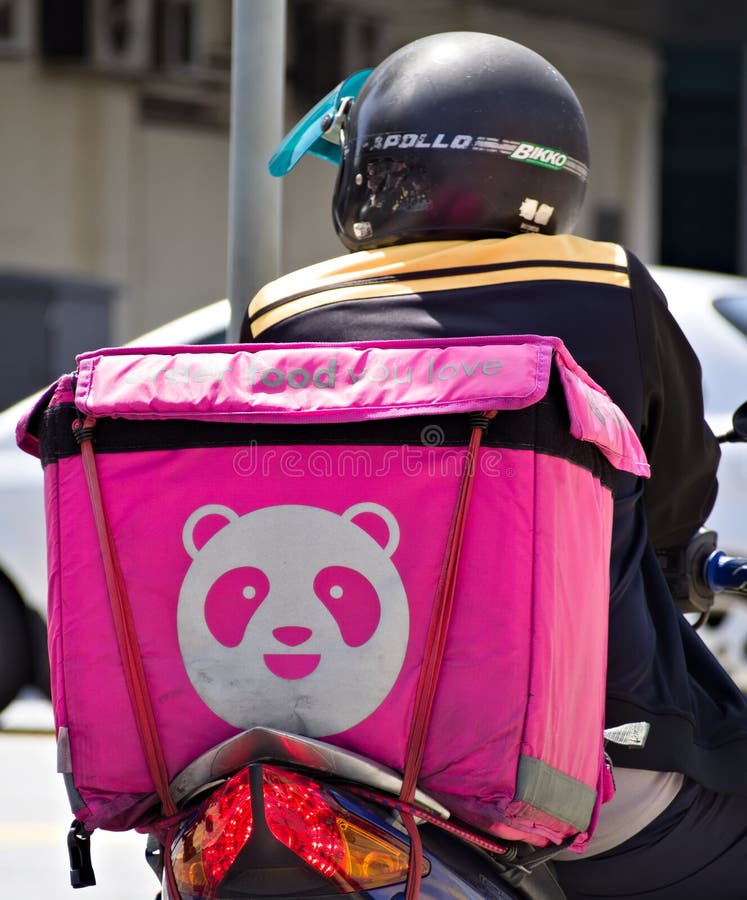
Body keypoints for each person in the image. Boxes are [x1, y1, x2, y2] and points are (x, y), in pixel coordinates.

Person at [240, 32, 747, 898]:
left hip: (332, 748)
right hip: (579, 768)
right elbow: (671, 501)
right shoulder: (609, 289)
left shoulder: (284, 312)